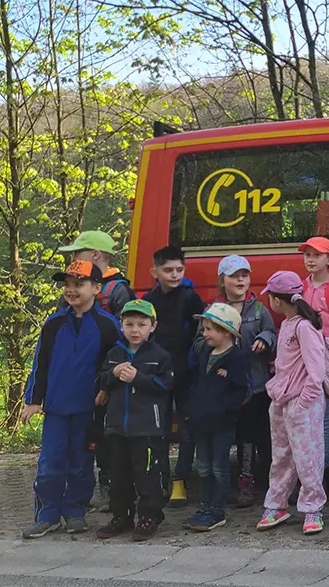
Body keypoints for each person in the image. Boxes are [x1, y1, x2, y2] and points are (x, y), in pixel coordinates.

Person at [21, 261, 122, 539]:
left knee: (81, 462)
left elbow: (114, 362)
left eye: (79, 283)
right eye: (67, 284)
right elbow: (40, 363)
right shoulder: (53, 324)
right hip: (55, 408)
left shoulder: (108, 325)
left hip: (88, 409)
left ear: (96, 288)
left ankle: (75, 511)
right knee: (50, 462)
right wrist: (33, 399)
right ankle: (47, 514)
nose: (71, 289)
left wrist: (105, 390)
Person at [58, 230, 135, 512]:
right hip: (77, 376)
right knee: (78, 435)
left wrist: (110, 376)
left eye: (78, 253)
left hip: (106, 377)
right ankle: (77, 490)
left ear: (96, 255)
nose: (73, 259)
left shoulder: (118, 290)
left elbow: (127, 336)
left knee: (104, 434)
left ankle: (109, 486)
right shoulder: (73, 287)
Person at [197, 255, 276, 508]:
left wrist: (265, 338)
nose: (240, 280)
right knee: (242, 437)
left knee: (263, 435)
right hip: (227, 385)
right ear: (223, 281)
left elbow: (272, 333)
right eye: (234, 276)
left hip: (257, 383)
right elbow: (200, 343)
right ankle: (245, 482)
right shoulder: (213, 310)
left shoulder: (260, 309)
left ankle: (272, 482)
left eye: (245, 275)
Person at [255, 271, 328, 536]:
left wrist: (305, 401)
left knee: (307, 455)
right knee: (282, 455)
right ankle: (276, 503)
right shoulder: (287, 325)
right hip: (281, 399)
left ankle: (313, 507)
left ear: (277, 300)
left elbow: (316, 370)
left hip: (301, 402)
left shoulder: (304, 327)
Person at [95, 300, 173, 541]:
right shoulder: (115, 353)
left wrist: (138, 378)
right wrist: (113, 374)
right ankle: (122, 516)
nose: (135, 330)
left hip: (147, 429)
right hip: (117, 428)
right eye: (129, 324)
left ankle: (149, 516)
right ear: (121, 326)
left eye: (142, 324)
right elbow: (100, 381)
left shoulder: (159, 356)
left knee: (147, 475)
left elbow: (166, 387)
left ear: (153, 326)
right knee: (118, 476)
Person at [142, 245, 205, 508]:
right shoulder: (147, 301)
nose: (174, 275)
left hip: (186, 372)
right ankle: (160, 478)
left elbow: (200, 334)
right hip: (157, 375)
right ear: (154, 271)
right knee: (160, 428)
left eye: (179, 269)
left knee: (189, 427)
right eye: (168, 270)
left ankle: (180, 478)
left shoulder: (191, 298)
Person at [184, 303, 250, 532]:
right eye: (204, 328)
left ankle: (217, 509)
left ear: (226, 331)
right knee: (203, 467)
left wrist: (223, 409)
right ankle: (205, 506)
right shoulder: (205, 352)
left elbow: (241, 391)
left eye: (210, 329)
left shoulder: (237, 358)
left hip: (221, 424)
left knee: (219, 467)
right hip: (201, 420)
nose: (204, 334)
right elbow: (198, 383)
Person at [299, 236, 329, 471]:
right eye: (307, 255)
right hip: (302, 362)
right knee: (304, 418)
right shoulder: (302, 286)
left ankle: (321, 471)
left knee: (324, 418)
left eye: (316, 255)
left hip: (324, 360)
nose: (310, 260)